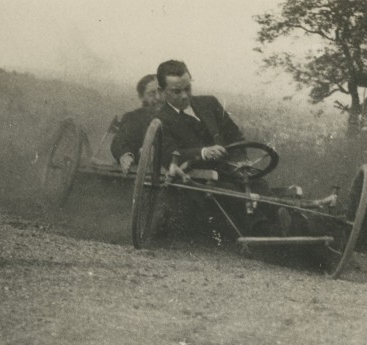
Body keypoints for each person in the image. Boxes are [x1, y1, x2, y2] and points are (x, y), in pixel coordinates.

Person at [154, 60, 286, 237]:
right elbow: (169, 155)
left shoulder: (209, 104)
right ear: (162, 92)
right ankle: (263, 236)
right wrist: (203, 153)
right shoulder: (160, 120)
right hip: (200, 181)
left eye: (188, 88)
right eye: (177, 92)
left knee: (260, 187)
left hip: (232, 170)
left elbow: (235, 136)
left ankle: (284, 226)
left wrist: (239, 162)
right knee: (234, 197)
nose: (185, 96)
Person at [110, 74, 163, 174]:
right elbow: (120, 141)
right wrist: (126, 155)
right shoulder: (133, 118)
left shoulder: (177, 117)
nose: (158, 97)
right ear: (141, 97)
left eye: (161, 91)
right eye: (152, 94)